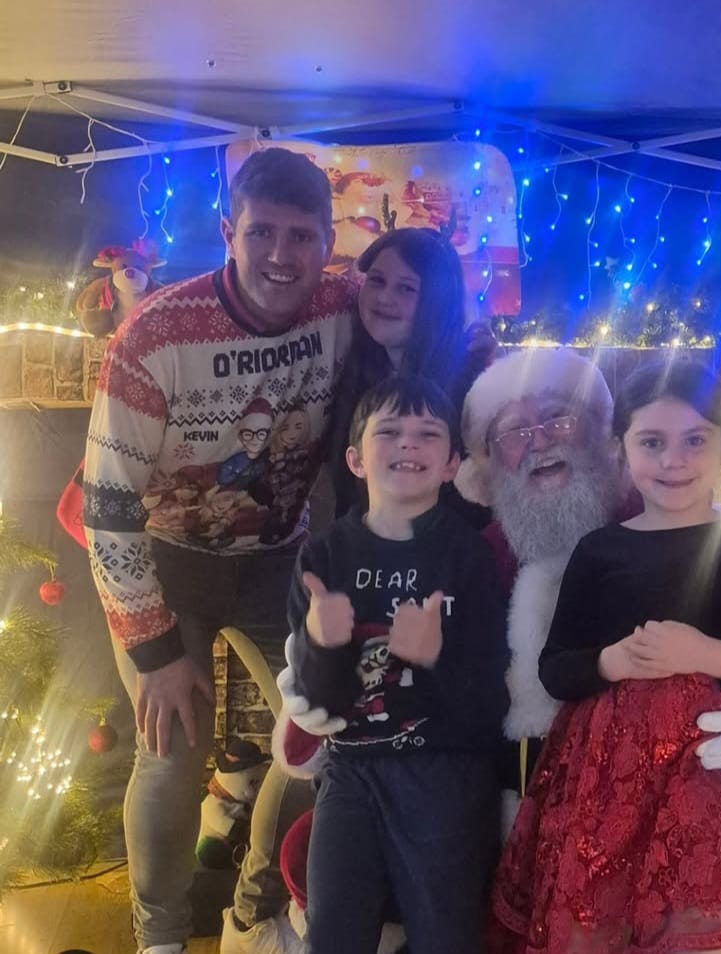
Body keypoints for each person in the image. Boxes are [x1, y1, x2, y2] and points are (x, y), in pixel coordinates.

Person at [277, 348, 721, 948]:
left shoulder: (690, 520)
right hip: (500, 814)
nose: (540, 442)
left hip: (691, 806)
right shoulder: (469, 557)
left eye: (558, 418)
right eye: (514, 432)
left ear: (605, 438)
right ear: (481, 466)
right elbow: (356, 689)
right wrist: (313, 679)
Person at [82, 146, 357, 954]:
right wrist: (155, 650)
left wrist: (470, 338)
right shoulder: (154, 335)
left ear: (328, 241)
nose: (281, 254)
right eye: (261, 232)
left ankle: (252, 910)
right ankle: (160, 938)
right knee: (170, 753)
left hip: (278, 561)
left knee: (324, 739)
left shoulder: (342, 307)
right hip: (166, 563)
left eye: (301, 236)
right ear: (227, 232)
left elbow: (421, 316)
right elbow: (107, 508)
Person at [490, 359, 721, 954]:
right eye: (652, 442)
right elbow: (556, 667)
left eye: (695, 440)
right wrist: (610, 662)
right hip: (607, 792)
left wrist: (712, 654)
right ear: (621, 449)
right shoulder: (599, 551)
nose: (674, 460)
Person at [287, 375, 509, 954]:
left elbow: (492, 706)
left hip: (446, 777)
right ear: (356, 460)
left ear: (451, 463)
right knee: (331, 936)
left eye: (428, 433)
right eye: (389, 431)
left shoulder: (470, 556)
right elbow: (315, 706)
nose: (408, 442)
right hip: (349, 774)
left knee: (446, 937)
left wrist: (435, 657)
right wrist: (320, 645)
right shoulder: (322, 557)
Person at [328, 226, 497, 519]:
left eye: (406, 288)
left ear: (437, 301)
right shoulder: (353, 366)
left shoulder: (472, 386)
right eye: (377, 280)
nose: (384, 297)